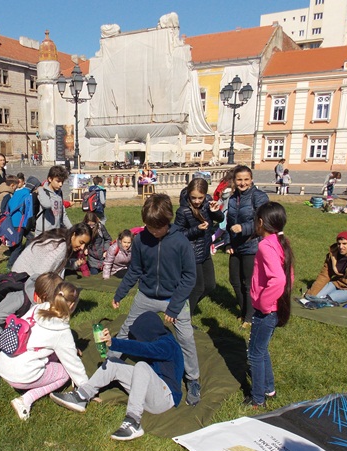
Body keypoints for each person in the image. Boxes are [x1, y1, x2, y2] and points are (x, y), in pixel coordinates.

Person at [112, 193, 201, 406]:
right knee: (126, 329)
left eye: (157, 227)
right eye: (149, 226)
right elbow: (135, 270)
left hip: (174, 298)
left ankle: (193, 379)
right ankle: (110, 364)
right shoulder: (140, 240)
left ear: (168, 221)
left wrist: (175, 306)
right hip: (146, 295)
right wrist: (120, 293)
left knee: (186, 338)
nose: (152, 231)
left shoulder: (181, 242)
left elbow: (190, 277)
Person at [50, 311, 184, 441]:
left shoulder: (168, 345)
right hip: (150, 393)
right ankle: (82, 395)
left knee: (142, 366)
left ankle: (133, 421)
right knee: (113, 363)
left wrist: (113, 343)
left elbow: (146, 349)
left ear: (148, 331)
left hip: (164, 399)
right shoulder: (157, 339)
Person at [0, 224, 92, 342]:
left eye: (85, 244)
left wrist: (75, 264)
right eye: (81, 242)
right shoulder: (61, 247)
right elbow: (43, 276)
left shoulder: (62, 239)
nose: (82, 247)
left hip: (24, 275)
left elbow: (60, 263)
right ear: (74, 234)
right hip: (23, 279)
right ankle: (23, 333)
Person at [0, 281, 88, 420]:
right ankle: (25, 400)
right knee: (64, 374)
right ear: (71, 305)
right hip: (20, 375)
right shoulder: (61, 331)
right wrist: (87, 388)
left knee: (51, 355)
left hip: (3, 362)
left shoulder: (37, 308)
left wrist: (71, 349)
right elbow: (73, 365)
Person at [242, 202, 294, 409]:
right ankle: (268, 389)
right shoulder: (281, 242)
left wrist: (264, 303)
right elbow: (289, 276)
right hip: (274, 308)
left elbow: (279, 279)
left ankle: (257, 399)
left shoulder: (265, 246)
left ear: (261, 222)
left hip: (267, 311)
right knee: (261, 349)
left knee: (254, 353)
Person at [226, 165, 270, 327]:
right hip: (236, 245)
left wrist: (243, 228)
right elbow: (229, 222)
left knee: (248, 283)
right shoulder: (232, 198)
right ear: (234, 180)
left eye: (246, 179)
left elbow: (263, 222)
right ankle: (244, 310)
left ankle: (249, 318)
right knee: (234, 280)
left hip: (252, 245)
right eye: (239, 179)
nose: (242, 183)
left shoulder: (259, 197)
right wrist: (228, 242)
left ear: (251, 180)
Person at [174, 178, 223, 315]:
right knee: (197, 288)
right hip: (191, 253)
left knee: (210, 285)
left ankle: (184, 310)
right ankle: (183, 317)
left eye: (200, 198)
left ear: (205, 195)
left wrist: (215, 211)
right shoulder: (183, 211)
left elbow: (221, 219)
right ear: (189, 194)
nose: (196, 201)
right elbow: (177, 234)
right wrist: (196, 229)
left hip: (205, 250)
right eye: (193, 197)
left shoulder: (208, 203)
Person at [36, 165, 72, 235]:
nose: (61, 184)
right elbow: (47, 205)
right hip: (43, 233)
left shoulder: (59, 193)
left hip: (56, 231)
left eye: (62, 182)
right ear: (50, 179)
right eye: (58, 181)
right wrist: (40, 189)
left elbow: (63, 214)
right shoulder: (43, 191)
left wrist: (71, 229)